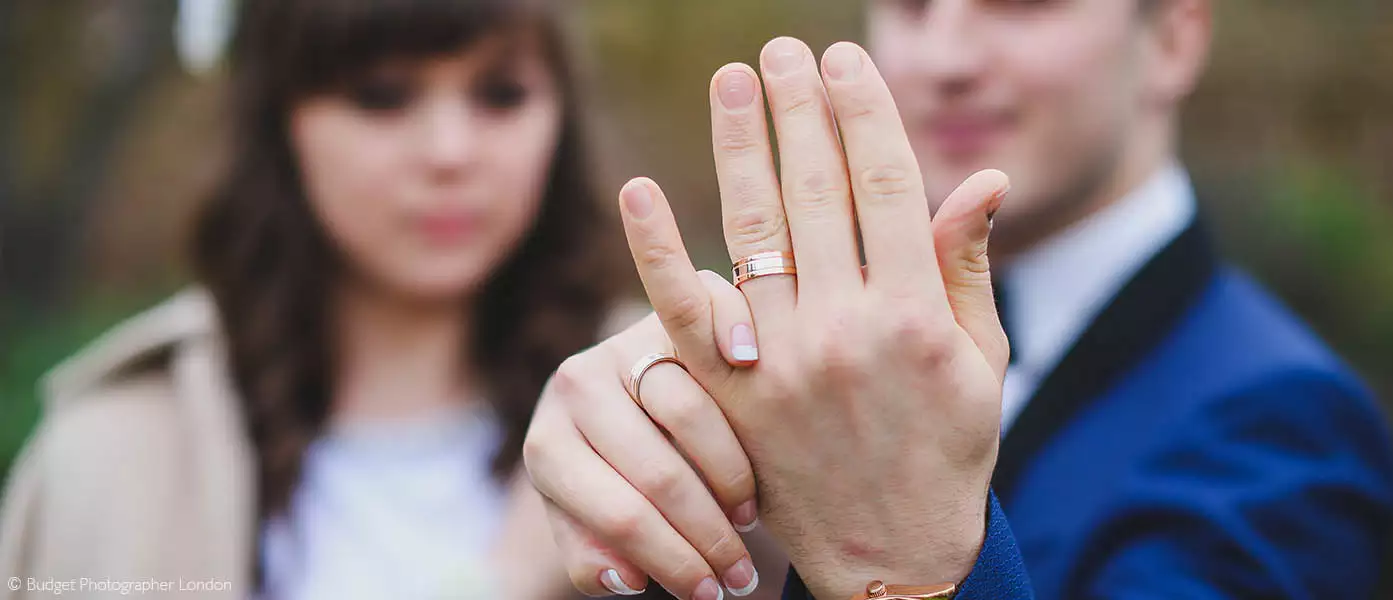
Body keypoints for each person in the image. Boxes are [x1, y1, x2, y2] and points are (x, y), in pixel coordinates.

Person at [521, 0, 1393, 598]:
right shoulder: (821, 355)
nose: (943, 58)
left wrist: (902, 567)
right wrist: (662, 465)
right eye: (910, 4)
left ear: (1170, 39)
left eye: (1018, 3)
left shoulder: (1281, 427)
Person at [0, 0, 624, 598]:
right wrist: (502, 584)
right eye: (382, 95)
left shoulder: (655, 408)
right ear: (281, 120)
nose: (450, 153)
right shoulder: (114, 455)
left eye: (500, 94)